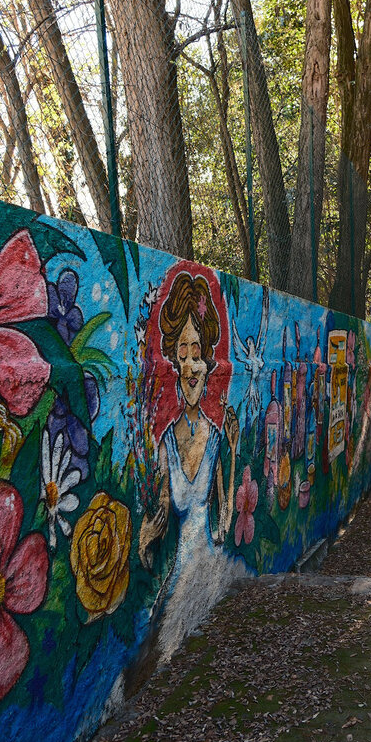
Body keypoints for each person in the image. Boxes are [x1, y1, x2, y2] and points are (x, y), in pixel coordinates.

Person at [138, 271, 243, 658]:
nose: (190, 368)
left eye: (196, 355)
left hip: (209, 566)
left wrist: (232, 453)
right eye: (180, 357)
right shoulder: (166, 442)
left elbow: (224, 522)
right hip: (179, 573)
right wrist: (145, 537)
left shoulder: (216, 438)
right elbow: (164, 511)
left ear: (209, 364)